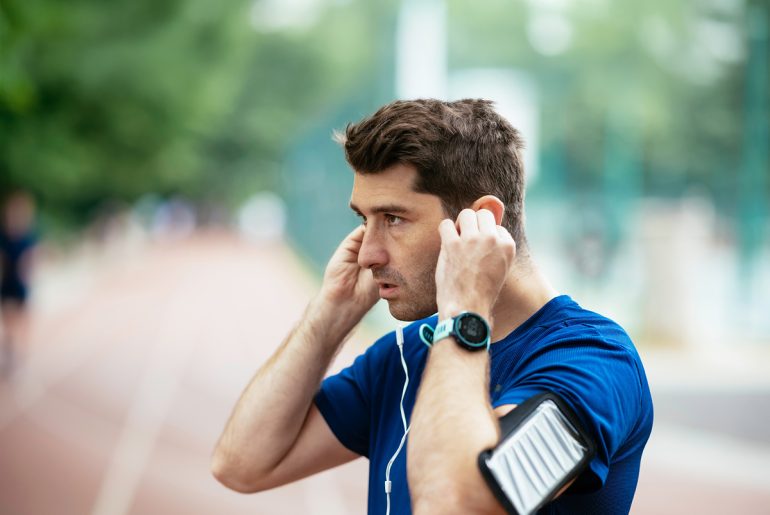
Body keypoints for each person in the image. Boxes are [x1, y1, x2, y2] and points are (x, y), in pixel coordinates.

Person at [212, 99, 653, 514]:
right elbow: (241, 464)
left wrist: (463, 311)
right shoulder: (406, 356)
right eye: (364, 220)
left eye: (393, 219)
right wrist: (329, 314)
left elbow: (453, 504)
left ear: (480, 222)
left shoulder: (594, 363)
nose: (367, 254)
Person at [0, 191, 38, 377]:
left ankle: (21, 358)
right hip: (6, 284)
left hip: (21, 286)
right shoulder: (3, 237)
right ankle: (10, 355)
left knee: (22, 324)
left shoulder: (28, 237)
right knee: (9, 324)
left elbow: (31, 259)